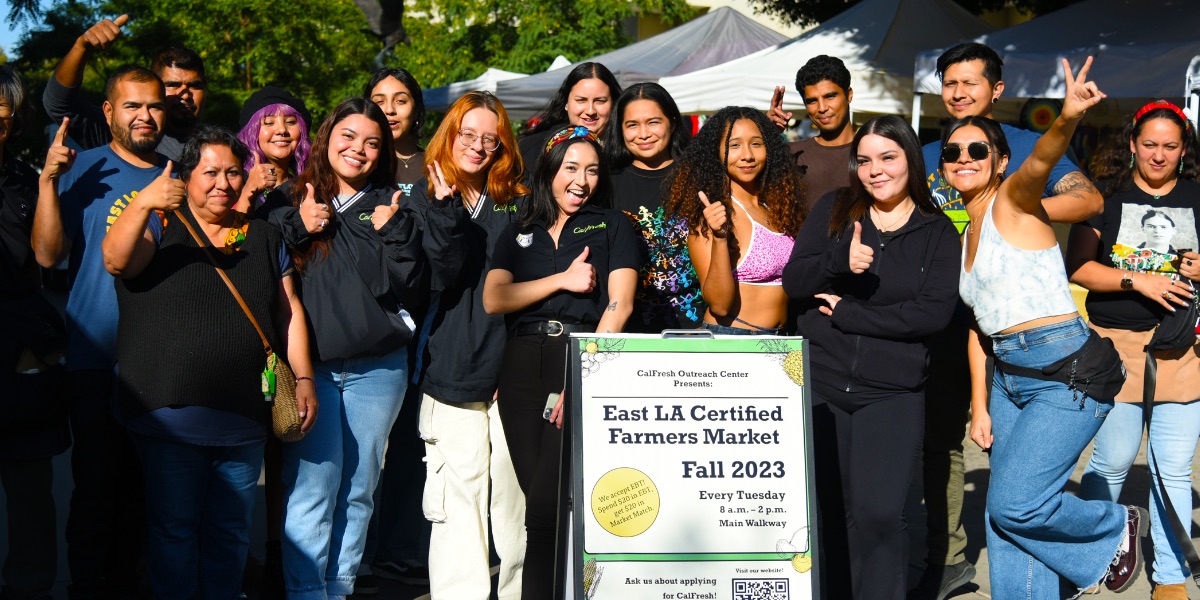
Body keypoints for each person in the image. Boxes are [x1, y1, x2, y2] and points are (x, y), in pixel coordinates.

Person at [912, 42, 1105, 599]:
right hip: (961, 327)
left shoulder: (1015, 153)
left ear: (995, 90)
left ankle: (1106, 538)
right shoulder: (931, 154)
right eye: (950, 83)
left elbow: (1085, 196)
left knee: (1015, 497)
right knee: (962, 464)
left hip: (1037, 350)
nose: (959, 93)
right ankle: (953, 562)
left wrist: (1014, 212)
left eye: (971, 83)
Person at [952, 58, 1143, 597]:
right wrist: (981, 404)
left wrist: (1066, 119)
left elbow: (1040, 163)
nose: (963, 158)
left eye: (977, 150)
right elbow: (979, 326)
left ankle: (1112, 527)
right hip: (1008, 377)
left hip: (1063, 371)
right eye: (952, 152)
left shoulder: (1014, 201)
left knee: (1018, 503)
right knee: (1004, 521)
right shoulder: (965, 234)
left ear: (1000, 162)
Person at [100, 125, 316, 598]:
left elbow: (289, 311)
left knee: (229, 534)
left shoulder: (263, 236)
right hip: (169, 416)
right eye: (211, 172)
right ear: (187, 176)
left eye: (233, 173)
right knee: (174, 532)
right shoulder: (160, 223)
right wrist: (143, 202)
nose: (223, 183)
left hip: (242, 418)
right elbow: (117, 262)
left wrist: (303, 376)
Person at [275, 97, 463, 600]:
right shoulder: (290, 200)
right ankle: (305, 592)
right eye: (348, 137)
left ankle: (338, 590)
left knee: (358, 492)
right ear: (326, 138)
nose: (358, 149)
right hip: (310, 370)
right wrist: (295, 226)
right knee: (312, 488)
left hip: (378, 371)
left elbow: (417, 288)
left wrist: (398, 233)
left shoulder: (394, 204)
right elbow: (257, 268)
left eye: (372, 142)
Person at [782, 115, 960, 599]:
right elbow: (795, 282)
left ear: (911, 161)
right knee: (829, 512)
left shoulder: (938, 232)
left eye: (888, 157)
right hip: (822, 384)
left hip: (892, 393)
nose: (875, 170)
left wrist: (847, 312)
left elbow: (930, 315)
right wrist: (838, 261)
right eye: (864, 160)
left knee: (880, 514)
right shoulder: (834, 209)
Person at [483, 126, 639, 600]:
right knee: (541, 502)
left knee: (546, 507)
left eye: (592, 170)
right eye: (571, 167)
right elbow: (495, 298)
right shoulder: (520, 230)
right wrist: (561, 280)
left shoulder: (613, 225)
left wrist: (586, 378)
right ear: (550, 170)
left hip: (577, 360)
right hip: (519, 367)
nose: (581, 179)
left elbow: (622, 305)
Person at [33, 65, 170, 600]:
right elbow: (48, 254)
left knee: (146, 491)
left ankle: (129, 583)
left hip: (159, 360)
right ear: (108, 112)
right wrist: (48, 178)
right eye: (132, 106)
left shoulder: (179, 173)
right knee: (95, 489)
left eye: (154, 105)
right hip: (94, 355)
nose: (145, 115)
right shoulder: (81, 168)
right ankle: (87, 587)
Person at [1067, 100, 1200, 600]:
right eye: (1149, 145)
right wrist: (1137, 281)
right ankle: (1093, 555)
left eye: (1170, 146)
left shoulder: (1198, 198)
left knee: (1172, 468)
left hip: (1182, 352)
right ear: (1131, 145)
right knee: (1112, 462)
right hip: (1115, 351)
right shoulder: (1105, 198)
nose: (1159, 155)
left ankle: (1169, 575)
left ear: (1183, 149)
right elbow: (1078, 267)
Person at [415, 90, 530, 600]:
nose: (479, 147)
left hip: (513, 373)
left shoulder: (519, 205)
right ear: (450, 135)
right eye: (469, 135)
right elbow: (441, 276)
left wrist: (521, 367)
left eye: (491, 138)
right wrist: (443, 212)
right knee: (459, 505)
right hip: (452, 372)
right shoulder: (420, 199)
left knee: (514, 505)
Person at [359, 66, 431, 592]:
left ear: (415, 108)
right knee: (361, 443)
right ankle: (353, 551)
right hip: (367, 314)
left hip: (427, 312)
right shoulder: (359, 157)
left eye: (400, 98)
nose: (389, 108)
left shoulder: (434, 164)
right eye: (379, 98)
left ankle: (402, 549)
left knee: (410, 438)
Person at [0, 64, 70, 600]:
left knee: (29, 492)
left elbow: (49, 255)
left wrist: (47, 180)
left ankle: (30, 590)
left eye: (2, 113)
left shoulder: (26, 179)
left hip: (21, 347)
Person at [663, 106, 805, 336]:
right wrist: (720, 238)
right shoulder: (711, 215)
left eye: (756, 143)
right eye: (734, 145)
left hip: (781, 340)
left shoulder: (778, 207)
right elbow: (718, 305)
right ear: (716, 152)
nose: (747, 155)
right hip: (731, 339)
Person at [603, 82, 701, 332]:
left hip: (696, 327)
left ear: (673, 122)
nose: (643, 133)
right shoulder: (604, 183)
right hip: (625, 329)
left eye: (653, 122)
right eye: (632, 125)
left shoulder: (699, 177)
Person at [43, 14, 206, 161]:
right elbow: (59, 102)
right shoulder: (124, 132)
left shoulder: (216, 145)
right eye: (173, 85)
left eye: (195, 86)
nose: (185, 94)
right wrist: (82, 48)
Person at [768, 55, 856, 208]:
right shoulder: (792, 154)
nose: (822, 108)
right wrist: (766, 133)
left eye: (830, 96)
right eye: (812, 101)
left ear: (849, 95)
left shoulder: (874, 152)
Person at [517, 62, 622, 173]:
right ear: (566, 103)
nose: (590, 111)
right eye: (581, 100)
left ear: (613, 104)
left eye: (600, 101)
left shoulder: (629, 153)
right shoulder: (531, 150)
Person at [235, 86, 313, 214]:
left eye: (290, 122)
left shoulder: (309, 187)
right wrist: (249, 191)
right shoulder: (234, 182)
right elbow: (229, 233)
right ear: (251, 133)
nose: (282, 130)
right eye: (269, 123)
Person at [365, 67, 427, 197]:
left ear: (416, 110)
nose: (389, 110)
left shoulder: (437, 165)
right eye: (379, 102)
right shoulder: (360, 161)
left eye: (400, 101)